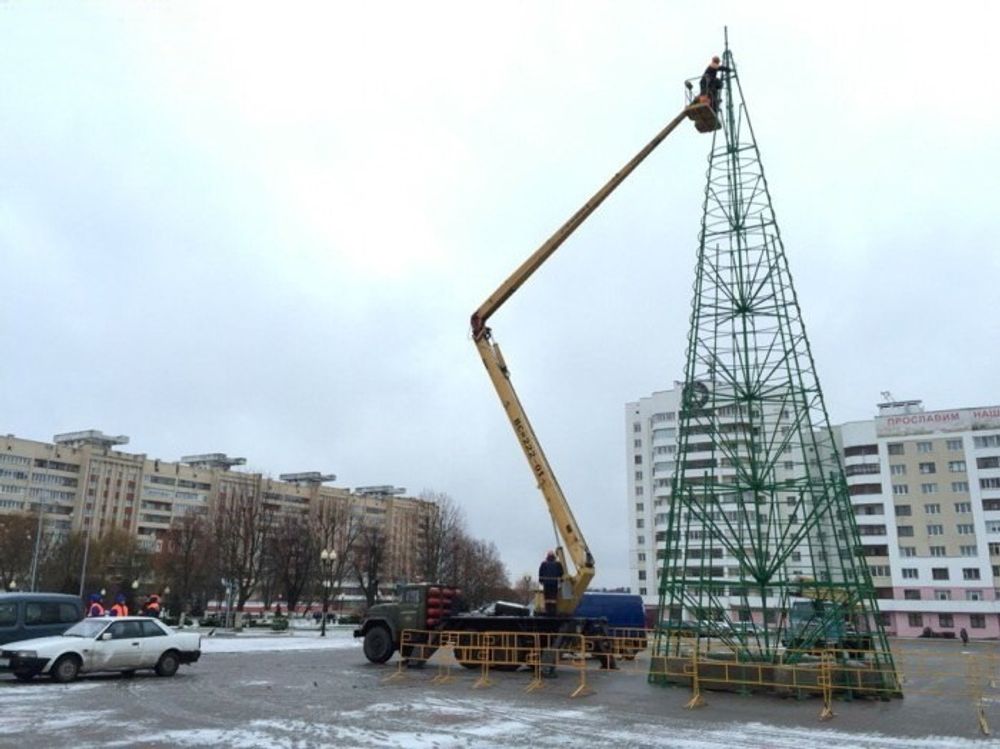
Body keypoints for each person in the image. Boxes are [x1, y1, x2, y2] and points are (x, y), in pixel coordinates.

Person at [538, 551, 564, 616]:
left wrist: (541, 581)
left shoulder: (544, 564)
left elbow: (540, 573)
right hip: (554, 583)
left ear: (547, 556)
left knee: (547, 597)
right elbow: (561, 573)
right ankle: (553, 610)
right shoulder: (558, 564)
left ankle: (548, 610)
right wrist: (561, 580)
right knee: (553, 597)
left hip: (546, 583)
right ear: (554, 556)